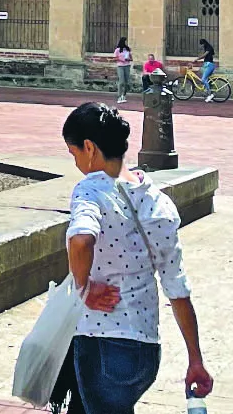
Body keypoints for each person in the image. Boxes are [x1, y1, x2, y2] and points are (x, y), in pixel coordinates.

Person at [52, 102, 211, 413]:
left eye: (74, 155)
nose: (76, 164)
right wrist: (195, 359)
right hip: (145, 351)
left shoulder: (92, 190)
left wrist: (83, 287)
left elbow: (81, 239)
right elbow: (177, 289)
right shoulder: (159, 202)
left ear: (89, 147)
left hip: (102, 344)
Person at [196, 38, 219, 102]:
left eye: (202, 44)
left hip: (209, 65)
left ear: (204, 43)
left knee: (203, 79)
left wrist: (197, 59)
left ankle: (209, 94)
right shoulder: (207, 47)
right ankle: (207, 90)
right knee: (204, 77)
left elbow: (204, 55)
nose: (202, 46)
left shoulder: (209, 48)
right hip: (207, 65)